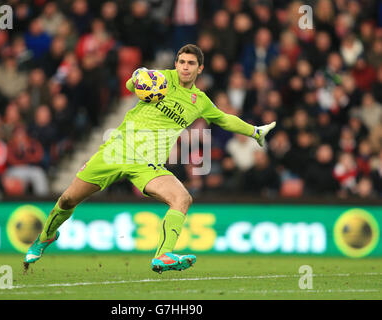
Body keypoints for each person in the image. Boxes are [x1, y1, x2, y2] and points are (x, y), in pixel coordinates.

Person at [23, 44, 276, 273]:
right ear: (176, 64)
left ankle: (163, 255)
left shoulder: (200, 102)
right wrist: (138, 76)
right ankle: (44, 237)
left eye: (190, 63)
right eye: (181, 62)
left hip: (148, 164)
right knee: (68, 199)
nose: (184, 67)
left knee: (182, 198)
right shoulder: (163, 78)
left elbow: (225, 118)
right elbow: (131, 85)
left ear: (200, 68)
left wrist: (255, 132)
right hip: (117, 151)